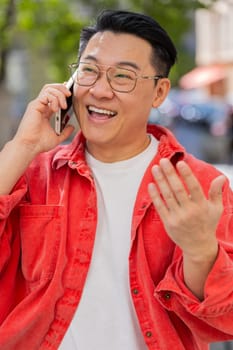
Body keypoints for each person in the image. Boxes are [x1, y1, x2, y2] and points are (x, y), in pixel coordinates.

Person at [0, 9, 233, 350]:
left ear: (159, 92)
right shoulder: (34, 173)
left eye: (122, 77)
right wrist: (21, 147)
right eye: (90, 71)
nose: (101, 90)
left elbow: (223, 321)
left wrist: (200, 252)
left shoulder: (200, 186)